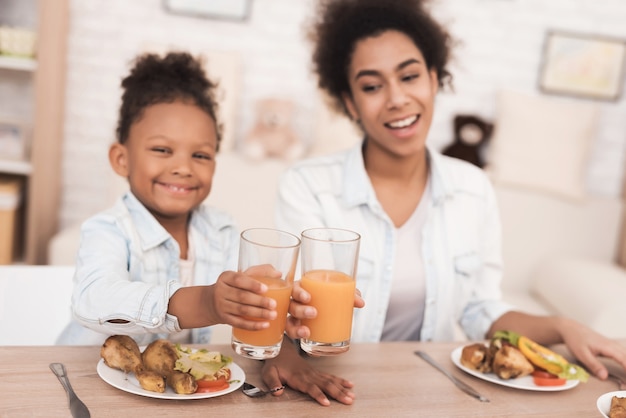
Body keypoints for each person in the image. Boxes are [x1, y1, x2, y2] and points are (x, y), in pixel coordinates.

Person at [277, 0, 626, 382]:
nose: (396, 98)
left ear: (433, 78)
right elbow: (298, 308)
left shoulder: (472, 188)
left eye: (409, 77)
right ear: (350, 103)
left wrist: (564, 327)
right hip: (333, 382)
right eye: (373, 86)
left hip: (433, 387)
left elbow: (481, 312)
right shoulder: (309, 186)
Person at [56, 51, 355, 406]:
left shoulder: (223, 231)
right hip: (83, 390)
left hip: (170, 397)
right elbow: (93, 299)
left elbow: (255, 299)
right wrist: (204, 301)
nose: (183, 167)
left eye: (200, 155)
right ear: (122, 159)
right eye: (163, 150)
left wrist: (283, 346)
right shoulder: (107, 229)